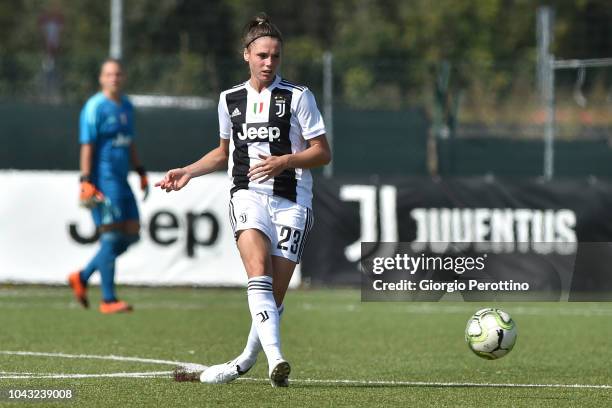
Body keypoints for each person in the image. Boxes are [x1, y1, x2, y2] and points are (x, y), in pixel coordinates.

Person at [156, 13, 331, 387]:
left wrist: (286, 160)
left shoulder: (298, 97)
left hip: (292, 199)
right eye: (263, 55)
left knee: (276, 294)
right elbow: (224, 153)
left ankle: (245, 360)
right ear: (247, 55)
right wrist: (188, 171)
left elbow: (322, 153)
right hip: (247, 194)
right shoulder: (229, 99)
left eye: (276, 57)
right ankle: (277, 358)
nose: (269, 63)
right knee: (258, 273)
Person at [68, 58, 149, 314]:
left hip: (122, 179)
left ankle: (82, 276)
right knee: (112, 236)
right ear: (101, 78)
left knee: (132, 233)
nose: (114, 78)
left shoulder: (126, 105)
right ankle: (108, 299)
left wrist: (140, 171)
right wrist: (85, 180)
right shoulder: (94, 107)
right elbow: (87, 145)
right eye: (109, 74)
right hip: (104, 179)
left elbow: (130, 141)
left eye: (118, 74)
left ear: (122, 77)